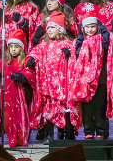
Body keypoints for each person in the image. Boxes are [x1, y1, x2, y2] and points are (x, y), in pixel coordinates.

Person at [26, 12, 77, 143]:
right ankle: (49, 135)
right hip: (47, 85)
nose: (49, 30)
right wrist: (30, 60)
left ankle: (63, 134)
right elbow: (34, 53)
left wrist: (70, 55)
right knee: (48, 109)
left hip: (62, 85)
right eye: (48, 28)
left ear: (60, 29)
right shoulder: (44, 45)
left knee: (62, 110)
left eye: (52, 27)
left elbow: (76, 58)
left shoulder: (68, 44)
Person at [69, 8, 113, 140]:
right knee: (87, 108)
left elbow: (109, 47)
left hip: (100, 80)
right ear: (83, 28)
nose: (90, 30)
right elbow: (77, 56)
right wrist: (80, 39)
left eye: (93, 26)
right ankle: (88, 131)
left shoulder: (102, 39)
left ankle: (101, 130)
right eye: (87, 27)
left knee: (100, 107)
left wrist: (104, 32)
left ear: (98, 26)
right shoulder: (79, 42)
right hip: (85, 81)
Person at [0, 29, 34, 147]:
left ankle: (19, 137)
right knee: (7, 118)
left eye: (16, 46)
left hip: (18, 97)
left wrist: (22, 77)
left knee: (18, 118)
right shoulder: (4, 61)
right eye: (11, 46)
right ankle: (8, 136)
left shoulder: (24, 62)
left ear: (22, 48)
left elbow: (30, 74)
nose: (13, 49)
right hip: (5, 96)